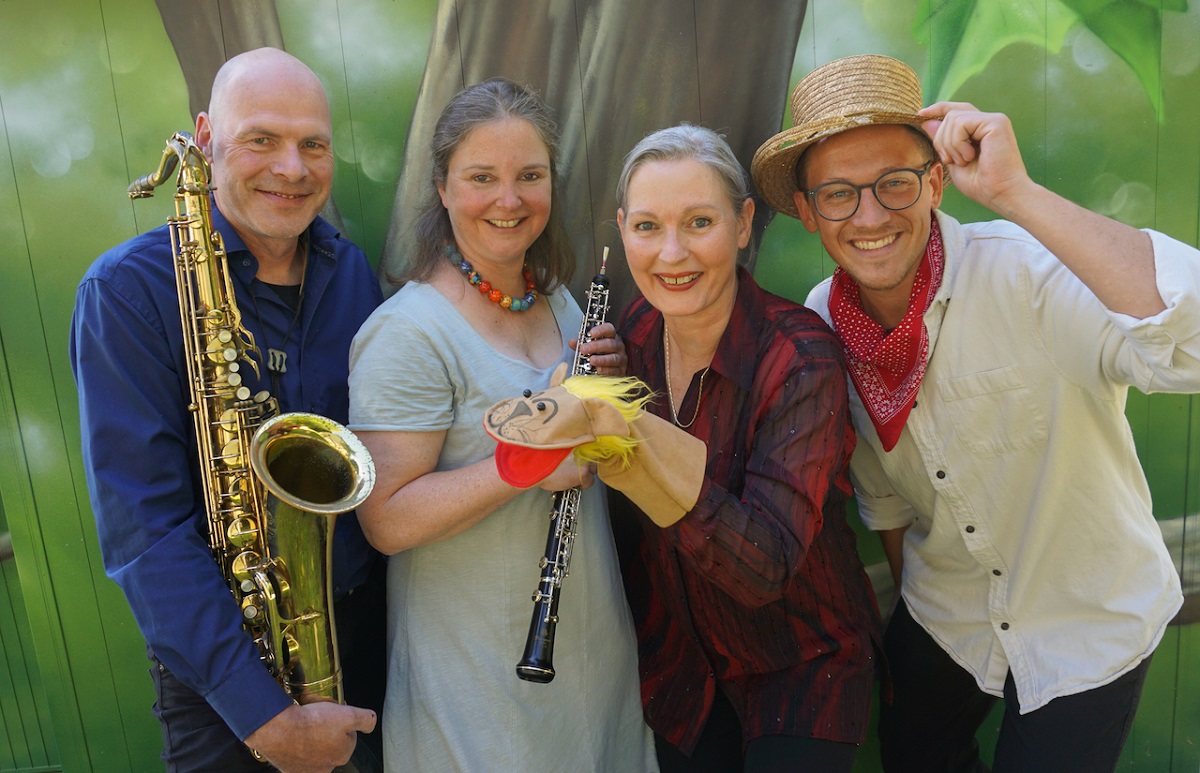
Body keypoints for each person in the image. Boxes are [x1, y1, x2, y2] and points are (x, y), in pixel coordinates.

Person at [751, 54, 1200, 772]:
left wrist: (1016, 194)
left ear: (935, 182)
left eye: (894, 183)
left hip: (1088, 618)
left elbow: (1190, 344)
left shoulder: (1027, 272)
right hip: (948, 614)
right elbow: (886, 499)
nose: (869, 216)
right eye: (837, 194)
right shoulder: (820, 324)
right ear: (806, 212)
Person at [71, 48, 384, 772]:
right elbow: (142, 530)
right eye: (261, 139)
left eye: (313, 144)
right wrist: (264, 715)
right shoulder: (126, 292)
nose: (292, 168)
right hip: (225, 679)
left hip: (360, 638)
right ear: (206, 139)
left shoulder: (352, 273)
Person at [346, 77, 656, 772]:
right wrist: (531, 465)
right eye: (482, 177)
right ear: (443, 185)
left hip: (589, 659)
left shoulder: (559, 303)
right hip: (479, 686)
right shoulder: (407, 333)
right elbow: (386, 520)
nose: (509, 200)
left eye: (530, 176)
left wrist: (607, 379)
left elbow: (590, 442)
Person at [608, 124, 883, 772]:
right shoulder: (633, 335)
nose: (671, 253)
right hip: (684, 670)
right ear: (623, 230)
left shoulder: (800, 357)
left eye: (699, 221)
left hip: (802, 664)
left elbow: (763, 566)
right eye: (647, 226)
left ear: (742, 224)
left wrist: (638, 450)